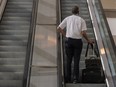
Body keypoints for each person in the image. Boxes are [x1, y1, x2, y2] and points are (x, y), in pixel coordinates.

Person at [57, 6, 93, 83]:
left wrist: (65, 35)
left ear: (72, 11)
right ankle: (75, 79)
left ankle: (67, 78)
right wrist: (88, 40)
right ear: (78, 11)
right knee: (76, 60)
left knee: (68, 60)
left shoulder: (67, 18)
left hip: (69, 41)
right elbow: (83, 33)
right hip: (78, 42)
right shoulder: (81, 20)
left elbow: (59, 28)